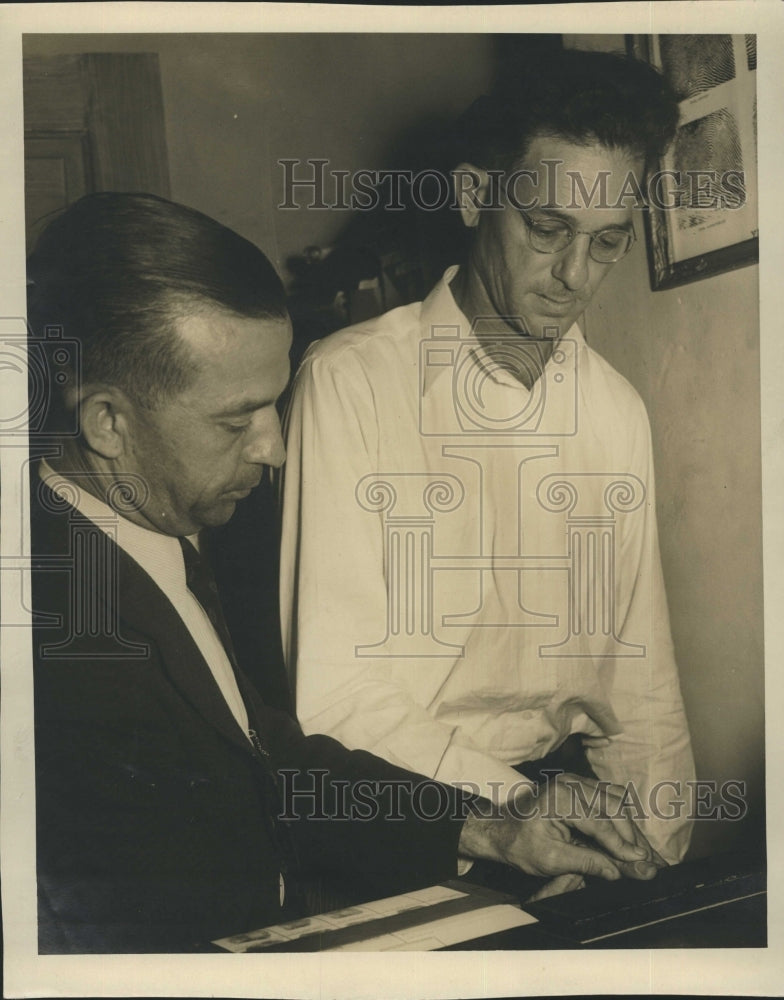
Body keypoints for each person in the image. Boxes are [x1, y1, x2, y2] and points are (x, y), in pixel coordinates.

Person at [27, 192, 663, 955]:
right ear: (108, 423)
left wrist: (494, 827)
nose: (275, 448)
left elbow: (274, 768)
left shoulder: (151, 545)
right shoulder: (48, 631)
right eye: (239, 420)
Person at [280, 49, 696, 867]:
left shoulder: (615, 412)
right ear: (474, 196)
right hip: (413, 824)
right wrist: (520, 816)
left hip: (564, 821)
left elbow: (641, 691)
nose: (574, 277)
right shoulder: (349, 383)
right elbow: (338, 702)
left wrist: (655, 859)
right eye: (547, 230)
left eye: (608, 243)